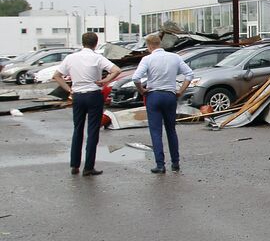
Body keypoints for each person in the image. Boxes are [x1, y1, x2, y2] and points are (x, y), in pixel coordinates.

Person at [53, 32, 121, 176]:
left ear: (82, 42)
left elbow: (56, 76)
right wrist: (104, 81)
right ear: (96, 44)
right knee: (92, 131)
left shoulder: (70, 58)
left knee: (78, 129)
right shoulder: (97, 58)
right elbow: (116, 70)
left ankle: (75, 164)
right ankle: (89, 167)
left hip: (77, 95)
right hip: (93, 94)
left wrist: (68, 89)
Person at [132, 34, 193, 174]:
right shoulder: (175, 57)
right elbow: (189, 74)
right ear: (160, 43)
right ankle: (175, 162)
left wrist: (142, 90)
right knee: (171, 129)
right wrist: (180, 91)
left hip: (154, 96)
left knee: (156, 131)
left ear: (149, 46)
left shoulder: (147, 59)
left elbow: (136, 77)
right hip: (170, 95)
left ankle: (160, 165)